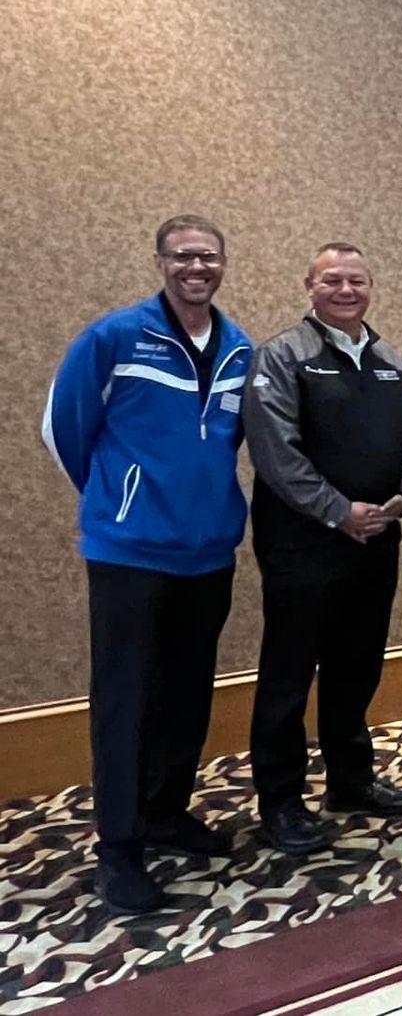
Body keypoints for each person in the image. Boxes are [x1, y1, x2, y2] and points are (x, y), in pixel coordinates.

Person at [43, 215, 253, 915]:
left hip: (207, 551)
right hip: (129, 550)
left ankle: (166, 811)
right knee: (126, 698)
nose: (197, 267)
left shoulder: (239, 347)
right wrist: (119, 500)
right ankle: (120, 847)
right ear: (160, 262)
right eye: (183, 256)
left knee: (187, 690)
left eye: (208, 257)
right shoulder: (116, 337)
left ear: (223, 265)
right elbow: (64, 427)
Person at [245, 242, 402, 857]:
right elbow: (275, 452)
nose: (345, 290)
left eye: (356, 280)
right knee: (289, 675)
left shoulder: (392, 362)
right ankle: (281, 800)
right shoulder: (282, 355)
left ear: (371, 286)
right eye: (331, 280)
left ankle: (350, 782)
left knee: (357, 668)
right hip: (302, 545)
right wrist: (337, 512)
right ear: (310, 286)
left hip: (376, 539)